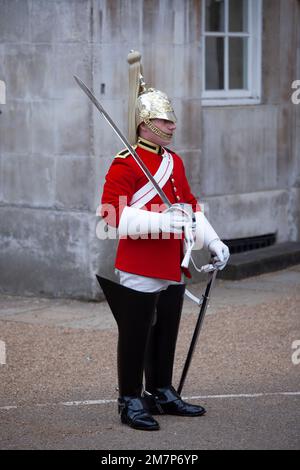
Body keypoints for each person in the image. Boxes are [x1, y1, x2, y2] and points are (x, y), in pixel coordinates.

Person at [97, 51, 230, 431]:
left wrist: (214, 241)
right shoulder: (126, 162)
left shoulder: (174, 162)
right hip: (140, 264)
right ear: (144, 124)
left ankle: (160, 390)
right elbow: (111, 216)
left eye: (171, 120)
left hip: (173, 263)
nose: (171, 126)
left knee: (167, 329)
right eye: (163, 120)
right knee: (136, 333)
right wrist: (162, 220)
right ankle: (129, 399)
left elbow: (189, 207)